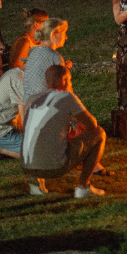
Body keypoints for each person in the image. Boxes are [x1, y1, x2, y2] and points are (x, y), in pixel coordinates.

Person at [21, 65, 107, 198]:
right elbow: (92, 124)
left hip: (27, 166)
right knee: (99, 133)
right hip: (54, 167)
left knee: (37, 136)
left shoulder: (32, 100)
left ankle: (35, 184)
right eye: (70, 80)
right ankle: (83, 187)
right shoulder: (66, 97)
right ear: (63, 80)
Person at [22, 18, 72, 102]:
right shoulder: (54, 56)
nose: (66, 37)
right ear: (54, 34)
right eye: (63, 33)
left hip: (29, 107)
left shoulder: (34, 52)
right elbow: (65, 89)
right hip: (44, 105)